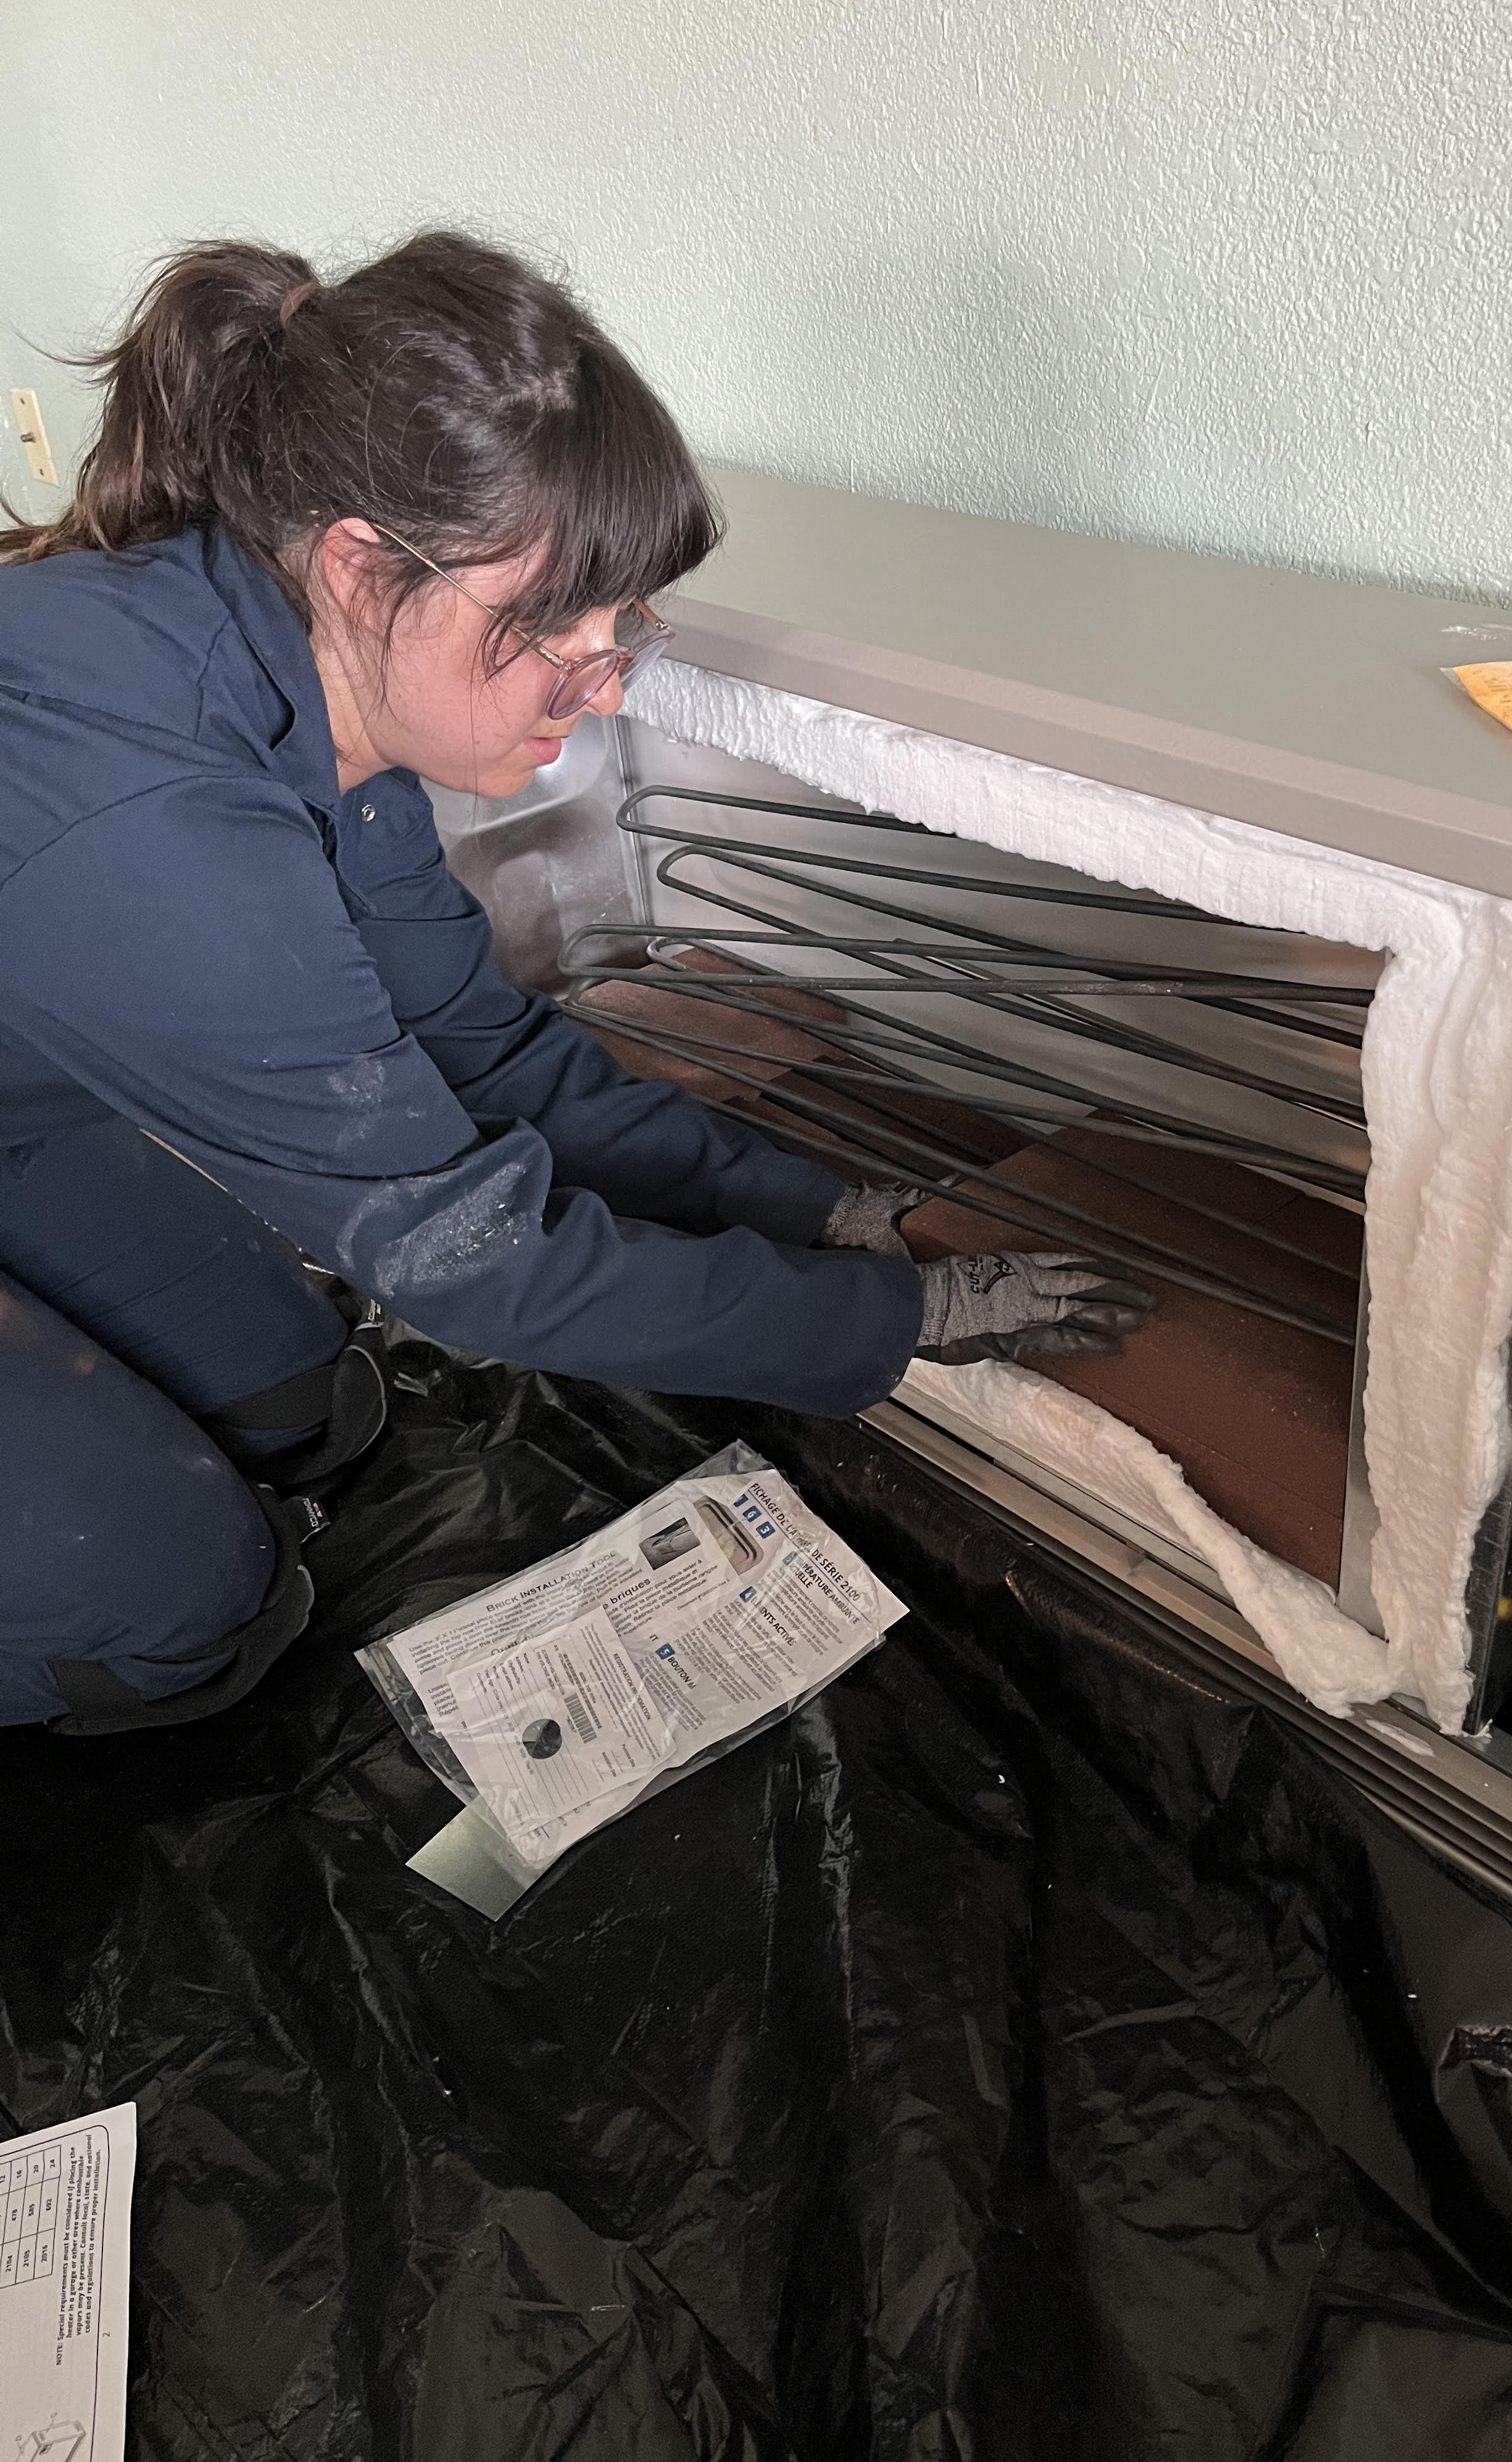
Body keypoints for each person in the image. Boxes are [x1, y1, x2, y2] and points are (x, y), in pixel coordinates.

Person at [0, 233, 1150, 1735]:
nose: (604, 684)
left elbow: (489, 1051)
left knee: (306, 1405)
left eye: (625, 626)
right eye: (552, 630)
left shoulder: (310, 704)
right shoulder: (157, 827)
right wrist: (893, 1316)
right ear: (361, 566)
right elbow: (474, 1259)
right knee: (191, 1613)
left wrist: (811, 1206)